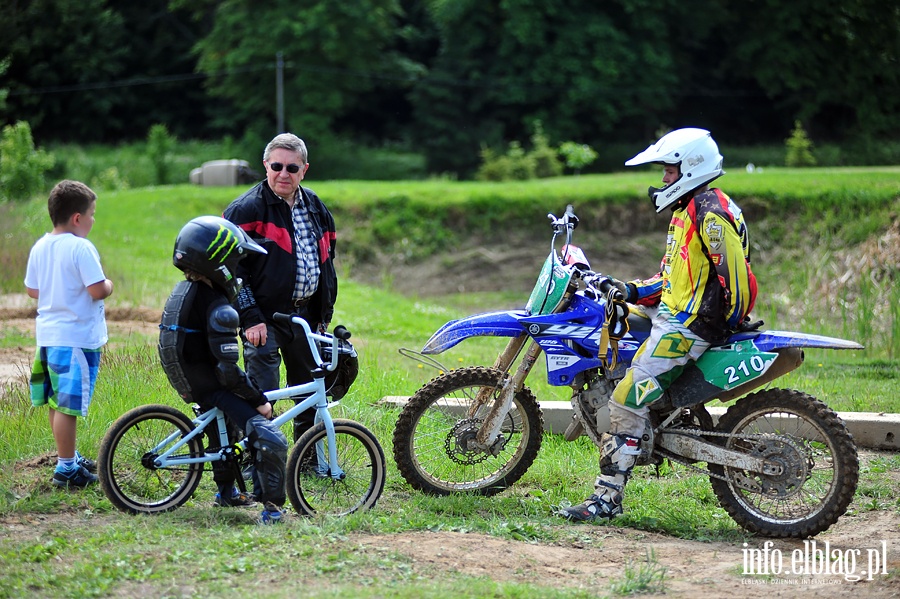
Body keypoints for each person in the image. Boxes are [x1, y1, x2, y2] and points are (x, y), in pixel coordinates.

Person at [559, 128, 758, 521]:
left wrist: (726, 324)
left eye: (669, 171)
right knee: (610, 328)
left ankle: (606, 500)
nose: (663, 180)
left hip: (689, 326)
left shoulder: (709, 214)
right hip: (674, 312)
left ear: (691, 167)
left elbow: (738, 278)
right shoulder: (690, 209)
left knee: (626, 398)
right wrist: (629, 291)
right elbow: (672, 279)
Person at [158, 215, 289, 524]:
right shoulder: (220, 308)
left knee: (224, 428)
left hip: (189, 377)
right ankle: (272, 510)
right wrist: (258, 399)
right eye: (235, 259)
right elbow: (229, 373)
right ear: (217, 261)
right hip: (209, 383)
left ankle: (227, 492)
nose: (237, 268)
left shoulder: (184, 291)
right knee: (269, 437)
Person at [223, 133, 338, 444]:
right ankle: (257, 461)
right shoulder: (245, 210)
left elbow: (327, 259)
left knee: (310, 392)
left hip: (306, 317)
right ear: (266, 166)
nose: (283, 174)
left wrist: (323, 314)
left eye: (292, 167)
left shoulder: (316, 207)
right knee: (263, 395)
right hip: (264, 318)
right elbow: (231, 271)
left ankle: (307, 460)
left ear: (304, 170)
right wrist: (249, 315)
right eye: (277, 166)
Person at [24, 180, 114, 488]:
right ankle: (66, 469)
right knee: (69, 405)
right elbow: (96, 289)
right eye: (92, 214)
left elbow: (32, 289)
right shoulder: (80, 247)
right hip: (76, 338)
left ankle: (69, 457)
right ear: (77, 218)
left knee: (57, 401)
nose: (93, 220)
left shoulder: (40, 246)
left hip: (48, 336)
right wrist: (109, 285)